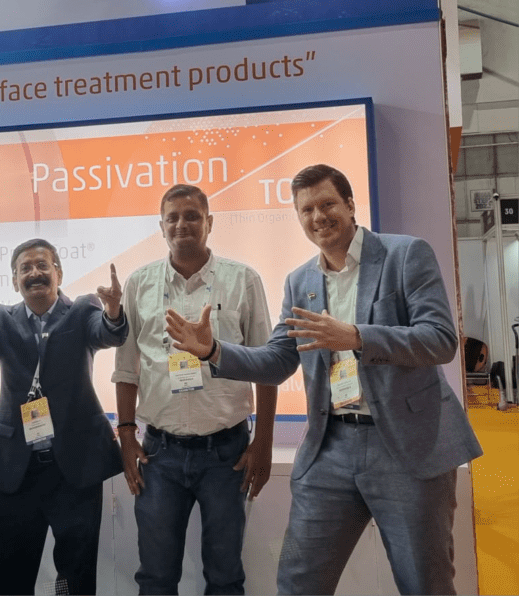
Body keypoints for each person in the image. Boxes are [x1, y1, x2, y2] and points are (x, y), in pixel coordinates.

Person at [167, 164, 483, 595]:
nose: (318, 217)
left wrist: (357, 336)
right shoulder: (300, 281)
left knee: (425, 584)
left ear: (350, 205)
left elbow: (440, 340)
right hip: (331, 447)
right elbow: (278, 360)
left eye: (328, 204)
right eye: (307, 209)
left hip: (408, 445)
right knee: (297, 581)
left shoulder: (406, 254)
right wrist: (213, 352)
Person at [113, 184, 277, 595]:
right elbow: (126, 367)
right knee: (156, 576)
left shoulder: (243, 280)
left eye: (192, 216)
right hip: (159, 454)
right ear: (161, 227)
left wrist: (264, 442)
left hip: (227, 454)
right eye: (172, 218)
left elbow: (267, 366)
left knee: (225, 576)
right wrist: (126, 435)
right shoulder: (139, 283)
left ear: (209, 223)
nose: (181, 224)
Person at [0, 239, 127, 596]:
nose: (34, 273)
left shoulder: (83, 309)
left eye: (43, 265)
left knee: (74, 573)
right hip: (18, 468)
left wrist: (114, 312)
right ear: (15, 281)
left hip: (75, 466)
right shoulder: (0, 318)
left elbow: (107, 333)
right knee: (7, 572)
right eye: (25, 268)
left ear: (59, 273)